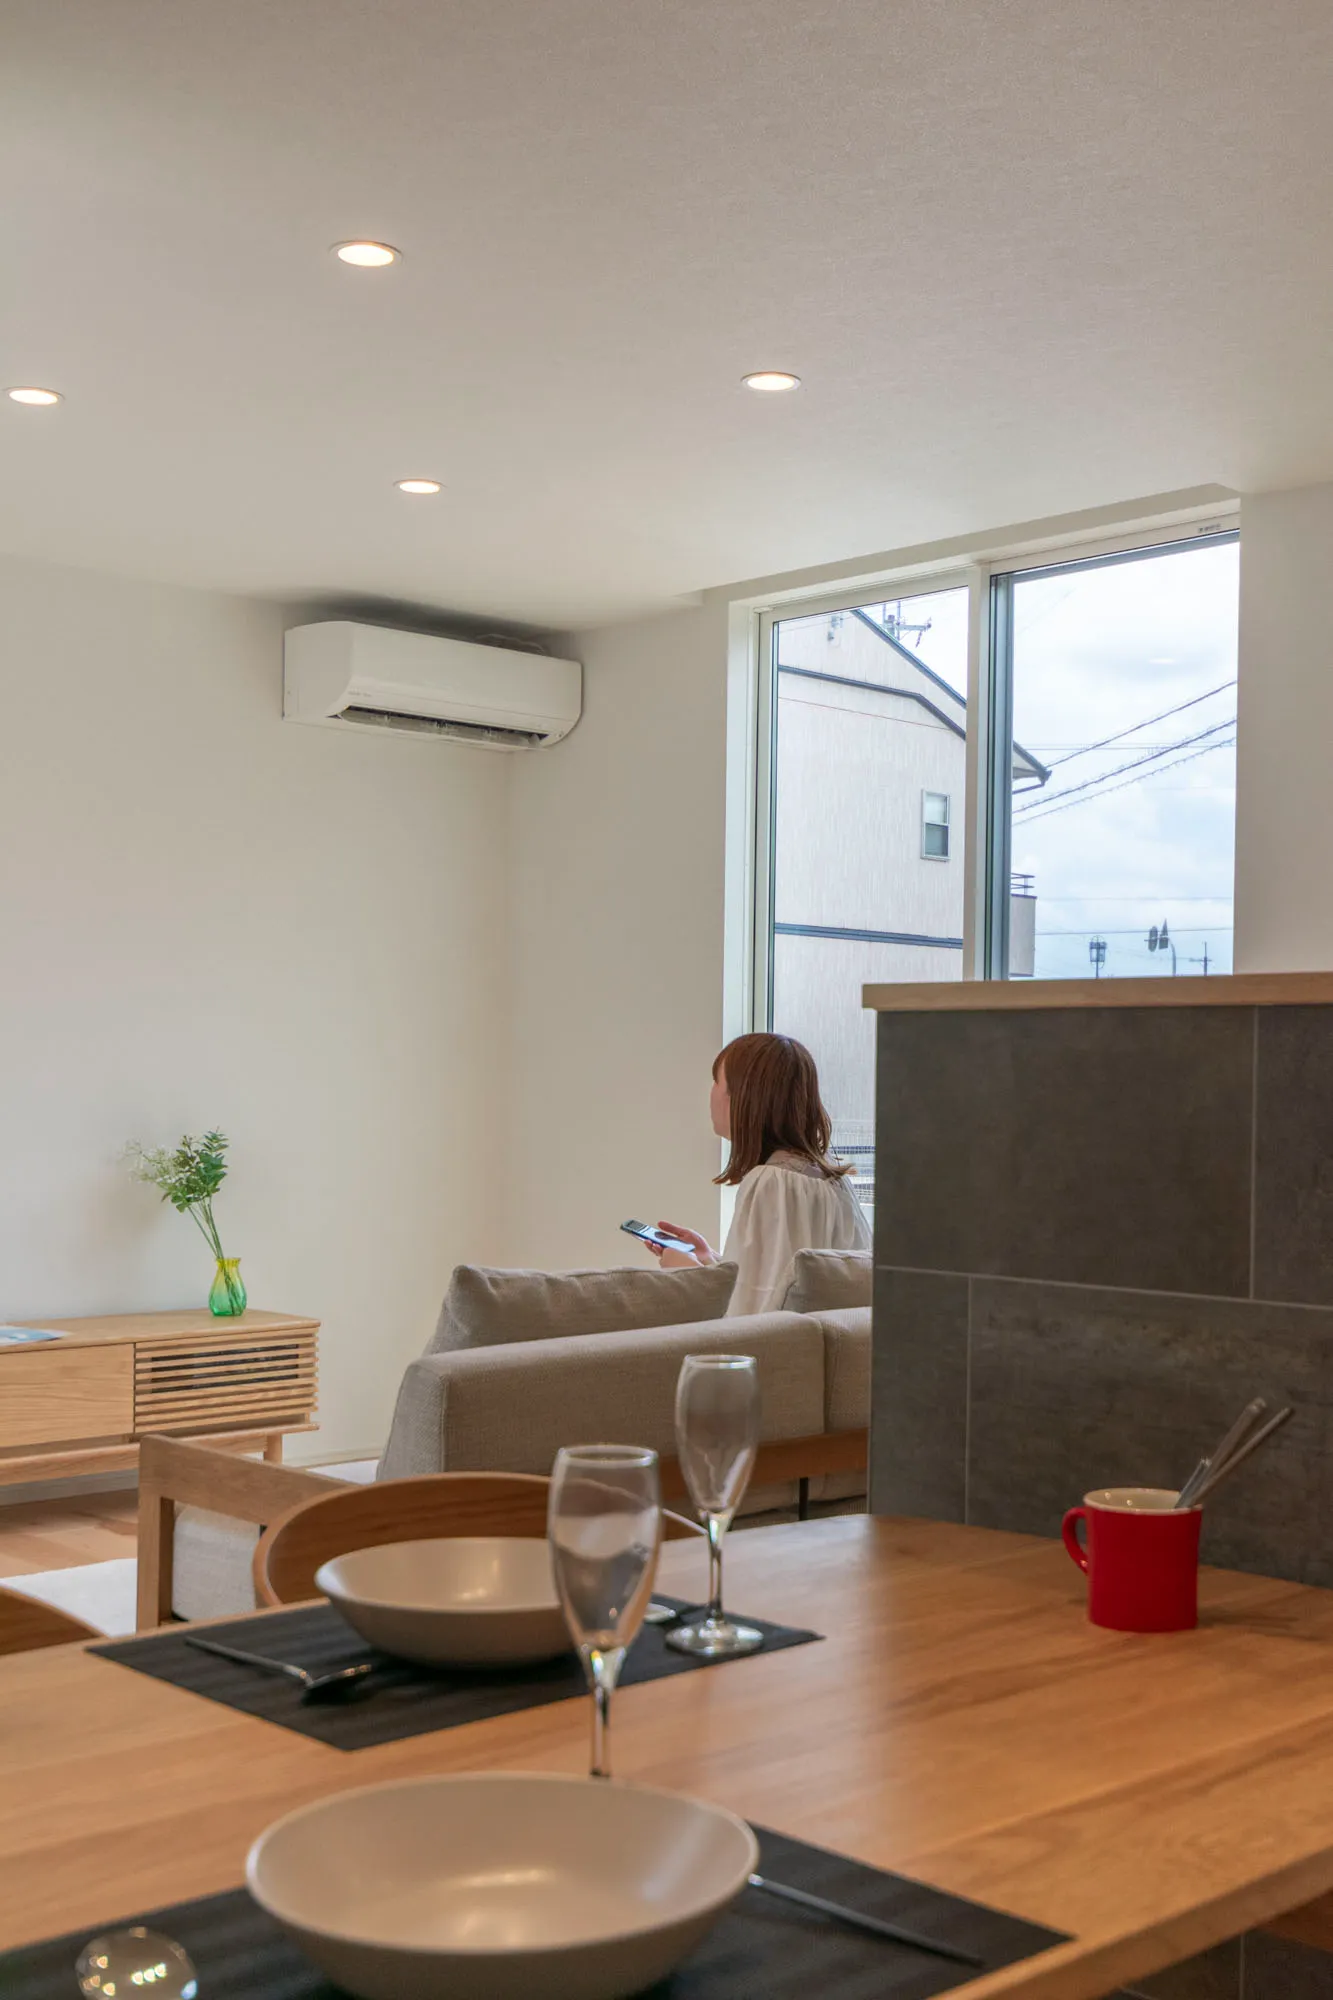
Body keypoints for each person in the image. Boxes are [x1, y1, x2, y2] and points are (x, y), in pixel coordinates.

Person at [646, 1031, 871, 1317]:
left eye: (716, 1081)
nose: (710, 1092)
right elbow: (785, 1289)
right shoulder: (832, 1180)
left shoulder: (771, 1184)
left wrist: (687, 1273)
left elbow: (749, 1321)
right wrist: (711, 1261)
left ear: (741, 1098)